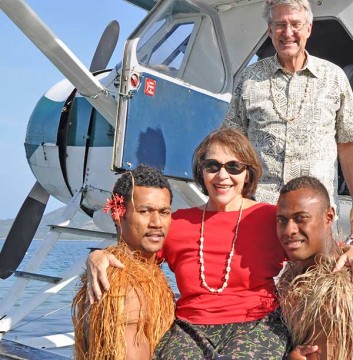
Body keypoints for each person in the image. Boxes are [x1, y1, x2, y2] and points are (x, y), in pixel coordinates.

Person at [223, 0, 353, 237]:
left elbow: (347, 146)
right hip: (259, 213)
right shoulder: (250, 79)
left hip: (316, 217)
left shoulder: (334, 78)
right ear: (270, 31)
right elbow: (231, 146)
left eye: (295, 24)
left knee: (314, 275)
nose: (288, 32)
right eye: (280, 24)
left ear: (308, 29)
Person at [72, 164, 175, 360]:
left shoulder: (146, 272)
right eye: (145, 211)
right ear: (118, 214)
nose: (157, 222)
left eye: (164, 212)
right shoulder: (122, 284)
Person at [276, 176, 353, 359]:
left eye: (300, 218)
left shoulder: (346, 280)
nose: (289, 230)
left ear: (329, 217)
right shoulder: (284, 283)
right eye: (282, 220)